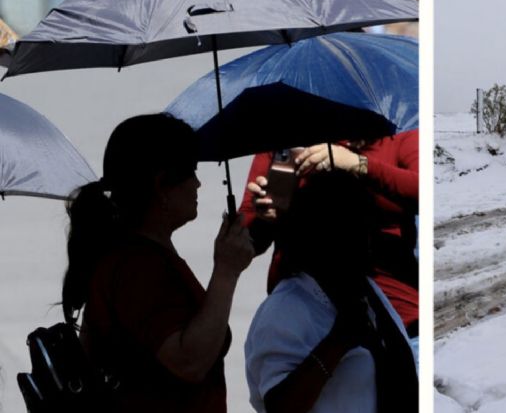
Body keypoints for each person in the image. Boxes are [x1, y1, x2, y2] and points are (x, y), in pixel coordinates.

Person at [64, 113, 254, 412]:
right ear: (161, 185)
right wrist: (226, 272)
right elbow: (188, 361)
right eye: (190, 171)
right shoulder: (136, 267)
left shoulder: (139, 257)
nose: (198, 183)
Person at [244, 171, 418, 413]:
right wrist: (336, 344)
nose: (368, 241)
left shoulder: (363, 289)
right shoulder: (286, 309)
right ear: (326, 236)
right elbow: (280, 406)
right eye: (357, 228)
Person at [240, 130, 419, 341]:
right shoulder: (285, 141)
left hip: (394, 312)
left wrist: (359, 164)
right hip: (304, 318)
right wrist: (266, 218)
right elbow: (246, 241)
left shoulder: (395, 132)